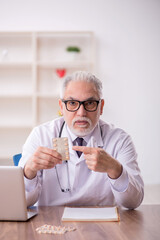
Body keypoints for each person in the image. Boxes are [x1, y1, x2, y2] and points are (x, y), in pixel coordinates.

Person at [19, 71, 144, 209]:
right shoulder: (40, 135)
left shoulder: (119, 140)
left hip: (102, 225)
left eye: (89, 103)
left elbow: (133, 202)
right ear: (61, 107)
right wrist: (29, 171)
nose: (81, 112)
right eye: (72, 103)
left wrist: (115, 169)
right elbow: (21, 202)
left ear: (101, 107)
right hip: (52, 222)